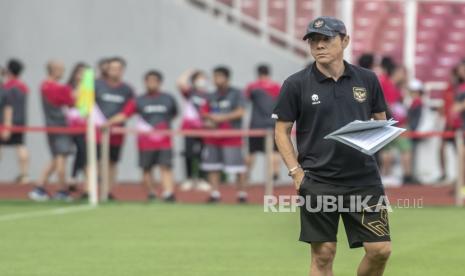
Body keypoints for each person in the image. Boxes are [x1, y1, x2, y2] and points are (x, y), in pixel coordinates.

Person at [273, 16, 391, 276]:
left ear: (345, 41)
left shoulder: (367, 79)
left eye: (326, 39)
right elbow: (281, 131)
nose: (319, 46)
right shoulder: (296, 84)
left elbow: (381, 121)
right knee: (323, 254)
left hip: (363, 179)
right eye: (313, 40)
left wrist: (373, 141)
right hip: (318, 179)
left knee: (380, 250)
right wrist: (296, 173)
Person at [104, 70, 177, 201]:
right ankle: (151, 193)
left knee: (165, 166)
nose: (151, 84)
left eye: (154, 81)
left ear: (160, 83)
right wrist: (108, 123)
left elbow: (174, 114)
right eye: (148, 81)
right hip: (145, 142)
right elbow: (124, 115)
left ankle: (168, 193)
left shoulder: (168, 98)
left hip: (165, 141)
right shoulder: (139, 100)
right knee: (146, 169)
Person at [200, 66, 248, 203]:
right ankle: (214, 194)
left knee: (238, 167)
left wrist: (221, 118)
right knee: (213, 167)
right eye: (214, 77)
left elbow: (240, 111)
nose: (215, 80)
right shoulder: (211, 95)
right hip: (213, 137)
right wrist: (209, 119)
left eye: (218, 76)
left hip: (232, 137)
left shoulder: (237, 93)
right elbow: (204, 113)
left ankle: (241, 194)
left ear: (226, 78)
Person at [29, 60, 75, 201]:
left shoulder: (45, 86)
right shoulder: (52, 87)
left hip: (53, 127)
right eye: (60, 69)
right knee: (61, 159)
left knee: (56, 159)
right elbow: (71, 102)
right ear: (53, 70)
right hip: (60, 127)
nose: (63, 72)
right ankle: (62, 190)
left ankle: (39, 188)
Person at [93, 57, 134, 200]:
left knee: (112, 162)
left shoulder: (127, 89)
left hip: (116, 133)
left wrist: (110, 123)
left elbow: (128, 111)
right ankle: (93, 190)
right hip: (96, 132)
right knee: (96, 160)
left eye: (118, 68)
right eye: (112, 68)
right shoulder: (96, 85)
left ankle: (107, 191)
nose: (115, 71)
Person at [244, 64, 281, 182]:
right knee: (274, 151)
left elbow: (245, 100)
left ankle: (246, 174)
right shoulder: (276, 87)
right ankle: (275, 172)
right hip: (273, 124)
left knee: (252, 151)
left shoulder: (252, 87)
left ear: (258, 73)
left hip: (256, 125)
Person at [177, 69, 211, 191]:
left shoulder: (209, 96)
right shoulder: (191, 93)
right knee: (188, 154)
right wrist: (190, 72)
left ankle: (202, 179)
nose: (202, 81)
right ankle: (189, 179)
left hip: (204, 130)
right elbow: (180, 83)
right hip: (189, 129)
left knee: (203, 154)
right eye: (199, 78)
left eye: (203, 78)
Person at [0, 59, 30, 184]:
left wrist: (7, 124)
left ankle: (24, 175)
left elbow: (8, 107)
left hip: (7, 121)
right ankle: (24, 174)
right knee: (20, 145)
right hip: (21, 120)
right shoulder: (23, 86)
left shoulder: (8, 87)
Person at [66, 63, 89, 195]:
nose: (81, 76)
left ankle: (75, 178)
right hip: (73, 125)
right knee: (81, 151)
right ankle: (73, 178)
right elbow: (72, 100)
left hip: (85, 126)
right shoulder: (70, 87)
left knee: (83, 152)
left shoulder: (89, 89)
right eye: (79, 73)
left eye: (84, 73)